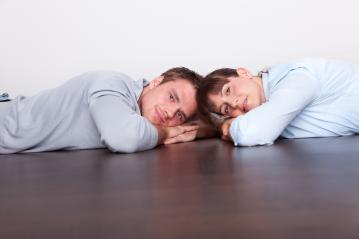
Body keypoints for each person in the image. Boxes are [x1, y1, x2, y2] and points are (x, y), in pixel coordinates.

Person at [0, 68, 216, 154]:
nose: (170, 113)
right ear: (156, 82)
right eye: (171, 97)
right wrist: (167, 133)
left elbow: (201, 126)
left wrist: (203, 130)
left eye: (180, 115)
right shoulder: (114, 84)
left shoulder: (133, 115)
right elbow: (124, 138)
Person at [197, 58, 359, 146]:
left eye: (228, 90)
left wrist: (229, 127)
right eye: (225, 109)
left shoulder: (295, 77)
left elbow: (249, 133)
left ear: (244, 73)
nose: (234, 104)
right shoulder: (267, 109)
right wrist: (220, 125)